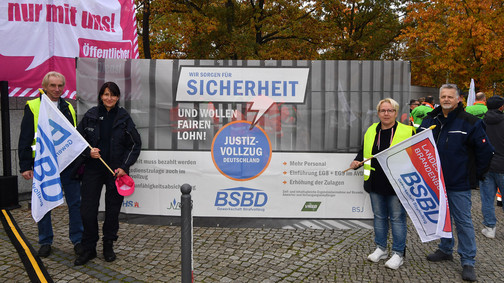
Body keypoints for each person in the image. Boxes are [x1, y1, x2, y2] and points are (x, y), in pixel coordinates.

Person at [418, 84, 493, 282]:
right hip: (434, 182)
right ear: (439, 98)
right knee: (442, 218)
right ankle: (445, 249)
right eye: (443, 96)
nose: (446, 99)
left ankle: (468, 261)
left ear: (459, 98)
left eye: (450, 96)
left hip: (458, 182)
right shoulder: (429, 119)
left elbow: (485, 151)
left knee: (463, 222)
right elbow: (417, 144)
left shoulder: (469, 122)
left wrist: (474, 175)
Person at [74, 82, 141, 266]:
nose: (109, 98)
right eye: (105, 94)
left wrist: (124, 167)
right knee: (87, 211)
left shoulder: (123, 117)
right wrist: (89, 152)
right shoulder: (90, 115)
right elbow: (78, 141)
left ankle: (108, 244)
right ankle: (89, 247)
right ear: (100, 96)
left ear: (118, 97)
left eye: (112, 95)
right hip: (92, 170)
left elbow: (135, 144)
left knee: (112, 212)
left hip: (114, 172)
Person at [18, 71, 84, 257]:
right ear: (45, 86)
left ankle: (78, 240)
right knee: (43, 201)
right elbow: (25, 137)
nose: (57, 89)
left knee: (75, 203)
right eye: (53, 85)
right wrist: (25, 165)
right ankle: (45, 241)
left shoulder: (69, 107)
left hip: (67, 163)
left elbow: (73, 136)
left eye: (60, 85)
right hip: (43, 163)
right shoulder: (33, 106)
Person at [348, 98, 414, 270]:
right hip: (375, 182)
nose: (386, 113)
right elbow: (364, 151)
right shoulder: (371, 130)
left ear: (396, 113)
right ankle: (381, 248)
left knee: (397, 219)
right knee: (379, 217)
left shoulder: (408, 131)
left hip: (397, 184)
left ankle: (398, 253)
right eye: (383, 110)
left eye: (390, 110)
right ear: (378, 113)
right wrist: (356, 162)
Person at [479, 95, 504, 238]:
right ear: (501, 107)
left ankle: (490, 228)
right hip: (502, 164)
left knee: (487, 199)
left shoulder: (482, 122)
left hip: (486, 165)